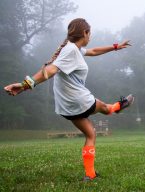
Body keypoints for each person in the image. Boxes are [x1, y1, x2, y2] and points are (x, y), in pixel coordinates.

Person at [4, 18, 134, 181]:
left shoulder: (74, 49)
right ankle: (120, 105)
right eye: (90, 33)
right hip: (79, 100)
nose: (90, 37)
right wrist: (24, 85)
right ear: (85, 33)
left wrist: (115, 47)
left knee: (90, 135)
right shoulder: (71, 50)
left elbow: (93, 51)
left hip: (66, 107)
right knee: (106, 109)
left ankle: (90, 175)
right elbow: (50, 70)